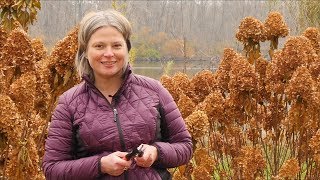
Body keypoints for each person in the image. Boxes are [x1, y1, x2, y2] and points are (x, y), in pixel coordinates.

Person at [42, 9, 193, 180]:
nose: (109, 53)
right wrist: (100, 165)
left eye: (116, 45)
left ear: (127, 48)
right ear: (85, 50)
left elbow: (185, 146)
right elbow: (52, 168)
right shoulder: (69, 103)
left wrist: (156, 152)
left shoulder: (154, 90)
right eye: (99, 46)